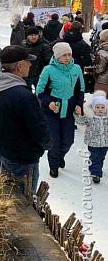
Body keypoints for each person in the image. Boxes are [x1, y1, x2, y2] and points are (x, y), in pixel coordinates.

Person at [0, 45, 51, 193]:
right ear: (19, 66)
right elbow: (38, 127)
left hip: (2, 151)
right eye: (28, 62)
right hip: (22, 158)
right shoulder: (23, 95)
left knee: (6, 194)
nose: (30, 64)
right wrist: (46, 144)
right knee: (23, 205)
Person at [36, 42, 84, 178]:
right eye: (64, 55)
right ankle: (53, 165)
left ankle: (60, 156)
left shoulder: (76, 69)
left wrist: (79, 104)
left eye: (69, 54)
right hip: (52, 112)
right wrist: (49, 102)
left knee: (68, 141)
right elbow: (39, 91)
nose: (67, 58)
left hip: (69, 111)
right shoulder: (48, 70)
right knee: (55, 142)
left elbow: (80, 89)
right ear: (57, 56)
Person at [74, 92, 108, 184]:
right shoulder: (91, 118)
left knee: (101, 157)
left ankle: (98, 168)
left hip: (105, 143)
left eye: (102, 107)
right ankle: (95, 174)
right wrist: (77, 114)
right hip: (93, 143)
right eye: (97, 107)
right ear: (93, 108)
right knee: (94, 158)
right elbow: (81, 121)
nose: (100, 109)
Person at [22, 27, 52, 91]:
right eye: (31, 35)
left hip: (40, 75)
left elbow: (48, 60)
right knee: (26, 94)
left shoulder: (44, 45)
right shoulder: (23, 45)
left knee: (40, 93)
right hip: (26, 75)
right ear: (27, 36)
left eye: (35, 35)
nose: (34, 37)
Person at [93, 29, 108, 96]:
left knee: (100, 102)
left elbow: (100, 69)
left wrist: (93, 68)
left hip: (102, 81)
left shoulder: (102, 52)